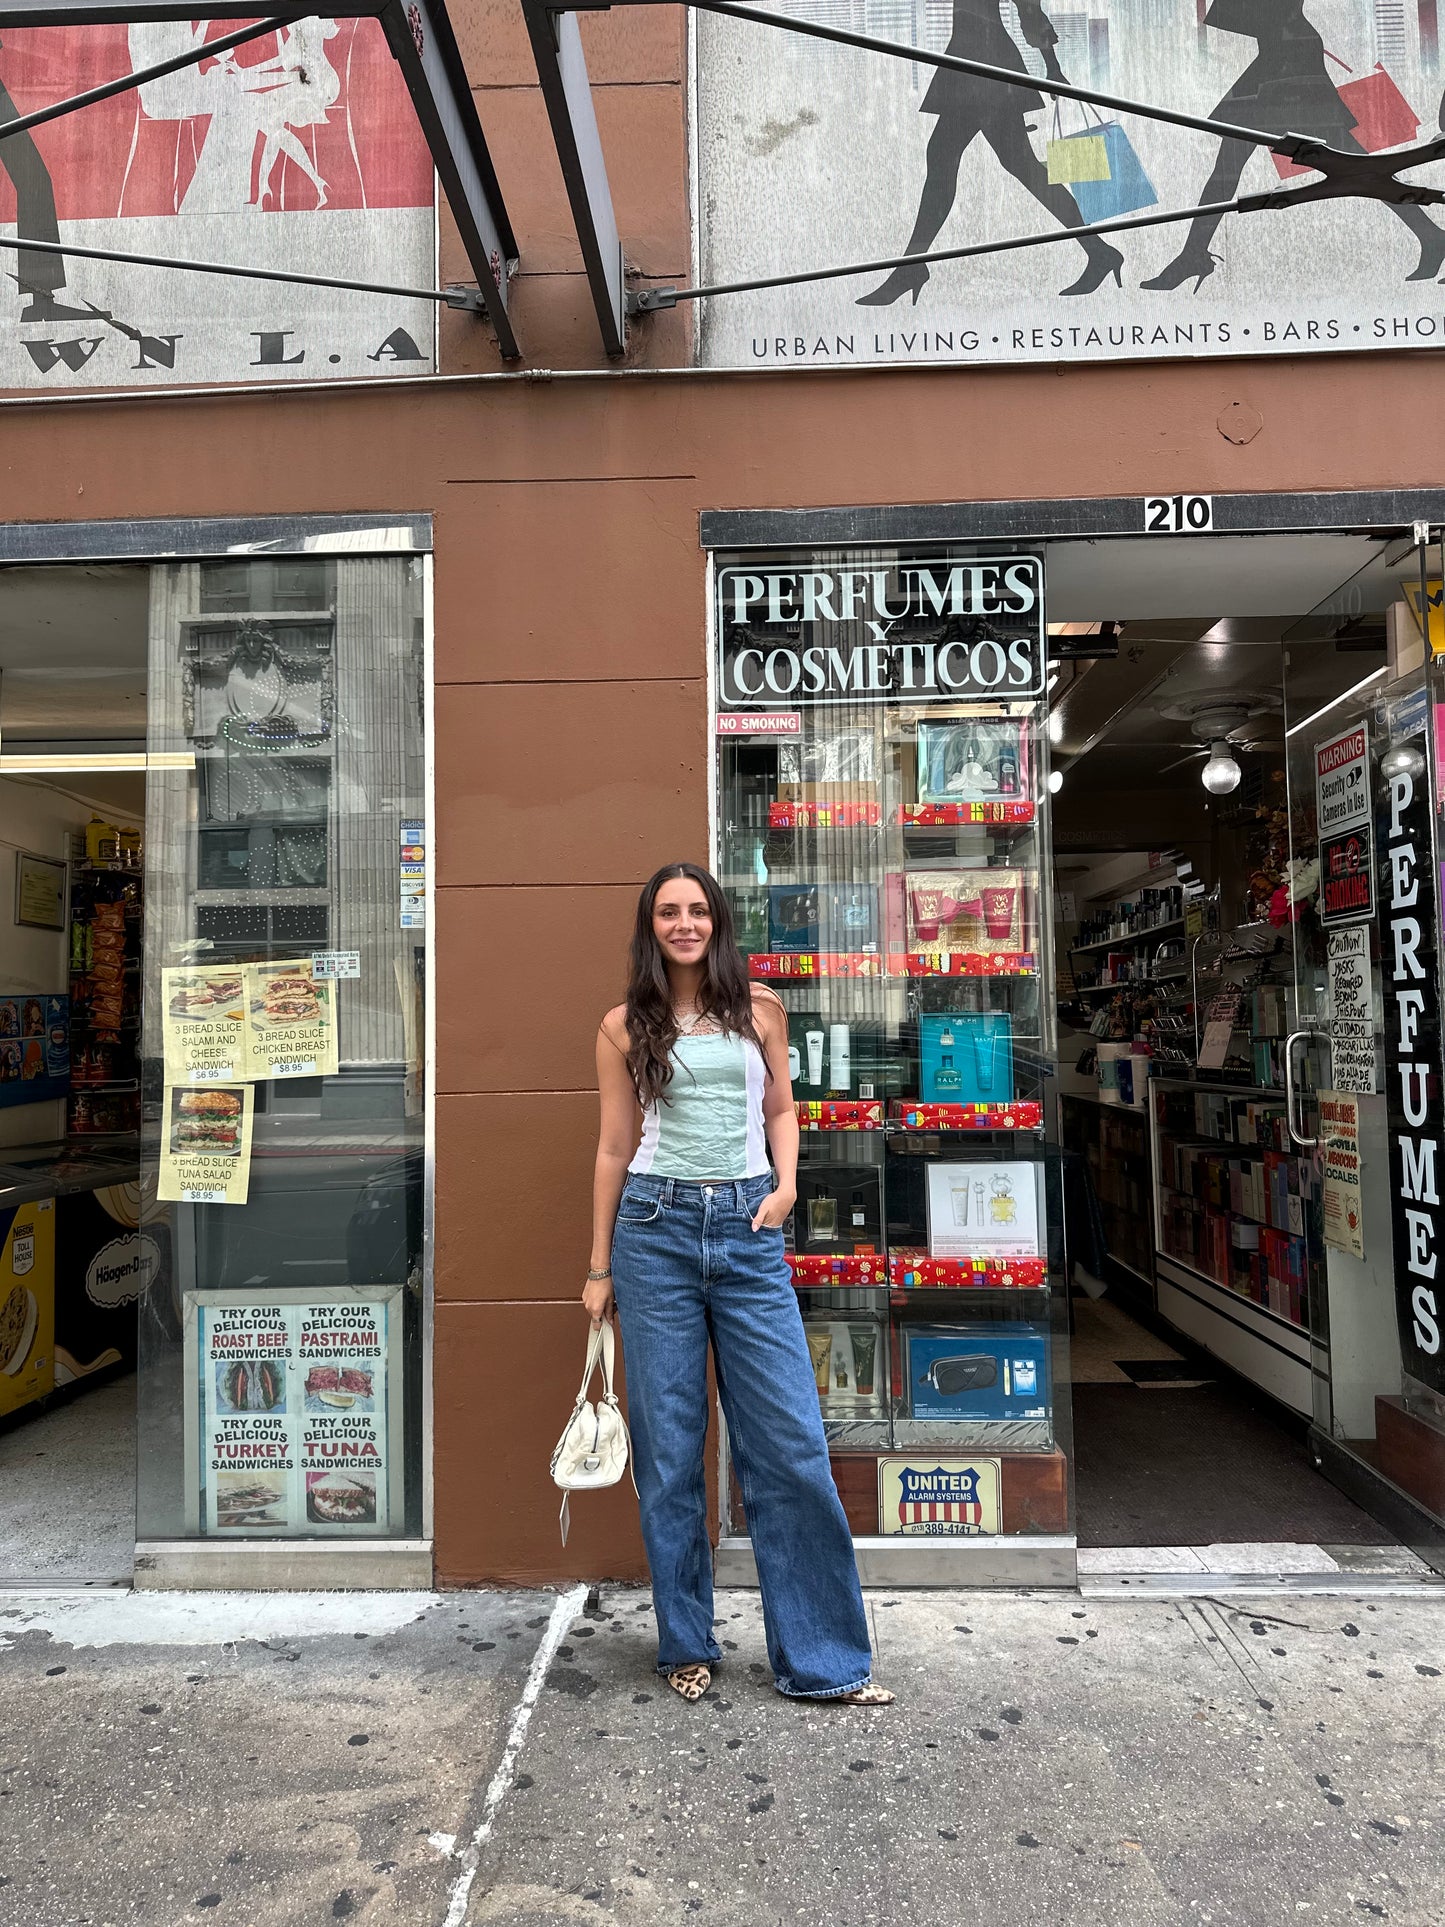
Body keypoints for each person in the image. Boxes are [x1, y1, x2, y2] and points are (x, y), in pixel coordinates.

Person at [584, 862, 893, 1707]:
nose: (683, 923)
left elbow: (782, 1108)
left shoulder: (759, 1008)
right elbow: (614, 1147)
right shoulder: (622, 1025)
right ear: (649, 927)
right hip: (652, 1232)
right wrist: (598, 1267)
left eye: (696, 910)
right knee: (672, 1451)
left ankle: (826, 1658)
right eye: (667, 912)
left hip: (749, 1228)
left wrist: (786, 1186)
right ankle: (685, 1641)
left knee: (789, 1444)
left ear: (717, 919)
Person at [1144, 0, 1445, 291]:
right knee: (1230, 170)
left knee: (1358, 167)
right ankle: (1431, 236)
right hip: (1282, 57)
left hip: (1291, 61)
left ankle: (1192, 255)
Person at [858, 0, 1123, 307]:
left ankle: (910, 267)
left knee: (947, 158)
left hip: (984, 68)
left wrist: (1053, 67)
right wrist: (1052, 67)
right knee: (1018, 165)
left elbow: (1029, 9)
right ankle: (1099, 251)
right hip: (976, 65)